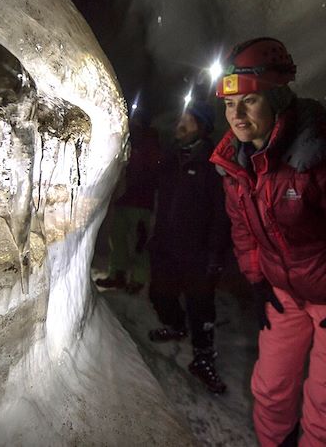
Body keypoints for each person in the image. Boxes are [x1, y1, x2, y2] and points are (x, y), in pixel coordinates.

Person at [209, 38, 326, 446]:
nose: (237, 115)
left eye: (250, 101)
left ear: (278, 100)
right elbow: (244, 229)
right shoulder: (238, 165)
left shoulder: (323, 158)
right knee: (270, 387)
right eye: (230, 104)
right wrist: (258, 278)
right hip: (286, 291)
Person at [146, 101, 231, 394]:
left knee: (201, 307)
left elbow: (222, 213)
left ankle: (203, 357)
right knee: (159, 293)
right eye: (180, 118)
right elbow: (161, 200)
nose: (179, 124)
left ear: (202, 127)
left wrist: (216, 254)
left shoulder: (213, 164)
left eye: (187, 120)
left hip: (198, 252)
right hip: (167, 246)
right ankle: (176, 325)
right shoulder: (171, 159)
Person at [96, 111, 161, 294]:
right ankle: (118, 274)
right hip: (124, 199)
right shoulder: (128, 139)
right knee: (117, 239)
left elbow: (151, 170)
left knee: (139, 241)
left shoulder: (150, 141)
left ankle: (139, 278)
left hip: (141, 202)